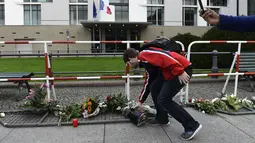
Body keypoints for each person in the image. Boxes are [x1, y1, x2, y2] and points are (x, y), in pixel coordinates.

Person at [123, 47, 202, 141]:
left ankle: (192, 126)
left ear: (131, 58)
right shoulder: (144, 62)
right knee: (154, 88)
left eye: (129, 63)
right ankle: (162, 118)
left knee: (164, 100)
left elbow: (165, 56)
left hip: (181, 69)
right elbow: (149, 82)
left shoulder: (145, 54)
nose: (130, 66)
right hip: (169, 72)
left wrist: (180, 71)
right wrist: (141, 101)